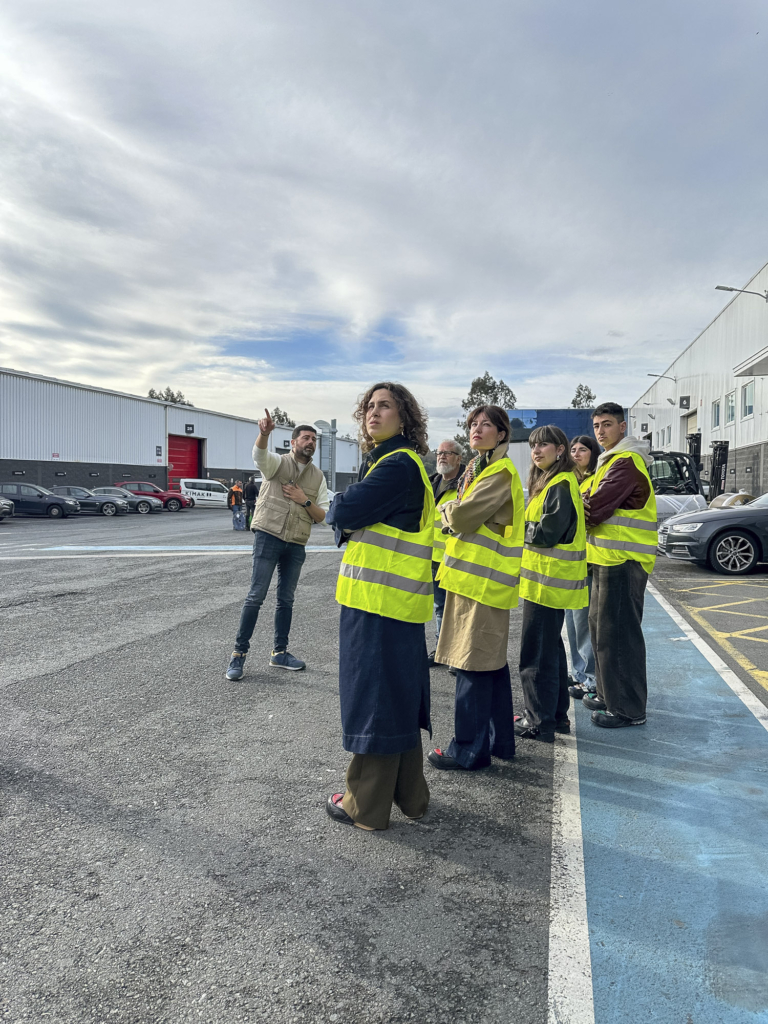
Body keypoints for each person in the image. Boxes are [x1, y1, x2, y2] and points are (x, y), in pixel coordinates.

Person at [325, 383, 433, 831]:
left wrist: (341, 508)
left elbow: (343, 514)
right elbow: (348, 519)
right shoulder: (396, 463)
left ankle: (364, 806)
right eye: (369, 406)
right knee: (395, 694)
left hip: (379, 603)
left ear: (404, 417)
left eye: (385, 406)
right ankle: (410, 795)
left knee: (374, 698)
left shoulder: (396, 465)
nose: (373, 412)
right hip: (393, 603)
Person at [427, 405, 524, 771]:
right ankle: (500, 742)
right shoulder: (478, 468)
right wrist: (457, 507)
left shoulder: (498, 471)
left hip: (483, 582)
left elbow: (464, 515)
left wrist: (450, 509)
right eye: (473, 424)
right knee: (491, 664)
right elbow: (463, 511)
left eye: (486, 425)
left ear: (502, 435)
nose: (477, 429)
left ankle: (468, 750)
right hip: (474, 580)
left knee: (473, 665)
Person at [225, 412, 329, 680]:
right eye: (306, 437)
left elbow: (324, 517)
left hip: (296, 543)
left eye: (314, 439)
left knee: (286, 599)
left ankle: (279, 653)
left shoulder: (318, 477)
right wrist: (265, 434)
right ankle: (238, 655)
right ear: (293, 443)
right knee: (256, 595)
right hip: (269, 536)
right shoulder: (277, 464)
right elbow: (259, 456)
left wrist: (304, 499)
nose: (311, 442)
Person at [581, 403, 657, 728]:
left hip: (623, 562)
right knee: (601, 632)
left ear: (623, 428)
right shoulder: (607, 462)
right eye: (597, 425)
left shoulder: (626, 462)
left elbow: (592, 509)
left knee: (620, 636)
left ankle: (628, 709)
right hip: (605, 561)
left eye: (607, 424)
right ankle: (606, 693)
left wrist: (569, 509)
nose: (600, 431)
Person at [514, 426, 588, 742]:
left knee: (536, 655)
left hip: (547, 583)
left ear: (560, 450)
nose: (536, 450)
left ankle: (538, 721)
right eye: (533, 445)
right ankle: (556, 717)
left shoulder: (559, 483)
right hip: (545, 582)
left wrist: (517, 529)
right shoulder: (550, 483)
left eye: (544, 445)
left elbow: (547, 532)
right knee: (551, 652)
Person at [565, 435, 601, 700]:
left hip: (587, 560)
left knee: (583, 622)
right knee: (571, 622)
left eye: (583, 450)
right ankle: (579, 673)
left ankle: (591, 678)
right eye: (573, 450)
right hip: (568, 562)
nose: (576, 453)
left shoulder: (594, 480)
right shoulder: (569, 481)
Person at [427, 440, 466, 666]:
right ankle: (442, 650)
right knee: (440, 607)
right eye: (439, 453)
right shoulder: (433, 482)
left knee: (457, 609)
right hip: (434, 558)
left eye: (447, 453)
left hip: (456, 556)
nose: (441, 456)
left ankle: (455, 655)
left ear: (458, 458)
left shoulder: (465, 484)